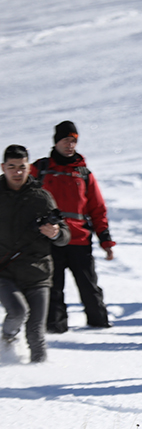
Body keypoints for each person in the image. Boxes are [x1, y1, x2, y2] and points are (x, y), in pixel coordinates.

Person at [32, 121, 115, 333]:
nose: (70, 145)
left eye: (73, 141)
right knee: (53, 289)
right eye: (66, 140)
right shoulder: (40, 169)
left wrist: (105, 240)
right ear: (56, 142)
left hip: (79, 239)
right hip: (50, 240)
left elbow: (97, 208)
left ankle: (100, 328)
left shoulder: (84, 173)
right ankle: (55, 330)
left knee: (89, 288)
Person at [1, 145, 70, 363]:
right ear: (3, 167)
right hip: (4, 271)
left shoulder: (41, 197)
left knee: (36, 332)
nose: (17, 172)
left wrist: (56, 233)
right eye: (12, 167)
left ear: (29, 167)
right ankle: (6, 342)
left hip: (38, 272)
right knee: (18, 311)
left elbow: (65, 235)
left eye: (22, 167)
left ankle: (41, 381)